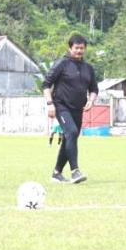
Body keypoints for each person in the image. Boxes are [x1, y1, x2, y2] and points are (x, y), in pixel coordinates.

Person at [43, 34, 98, 184]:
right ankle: (75, 171)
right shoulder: (62, 64)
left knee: (70, 137)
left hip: (78, 109)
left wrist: (91, 101)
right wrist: (50, 104)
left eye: (82, 48)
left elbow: (94, 89)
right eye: (76, 48)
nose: (79, 51)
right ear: (70, 48)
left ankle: (56, 173)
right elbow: (46, 85)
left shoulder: (88, 68)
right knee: (72, 133)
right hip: (61, 106)